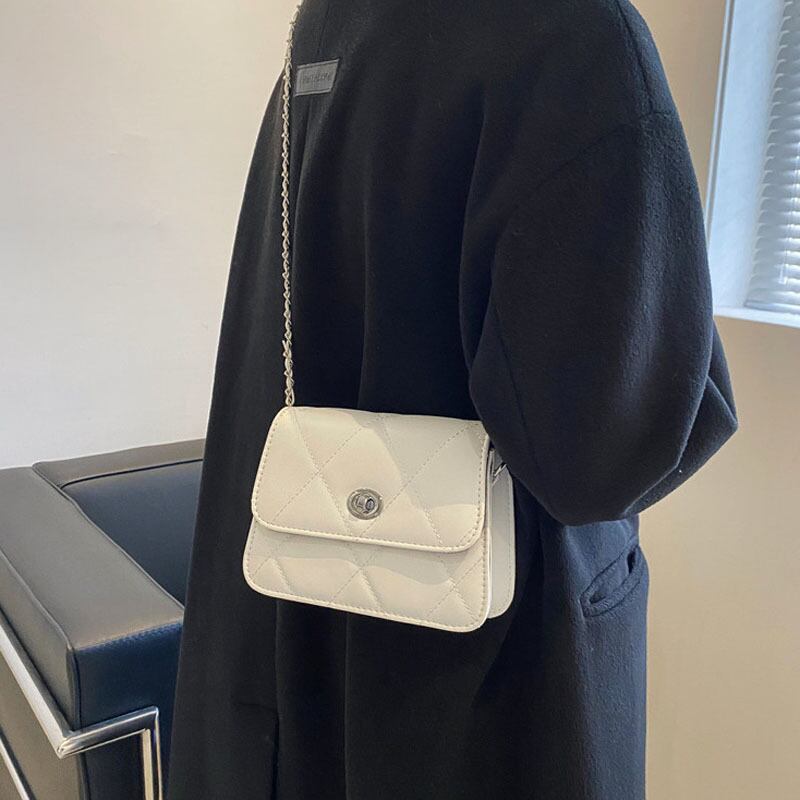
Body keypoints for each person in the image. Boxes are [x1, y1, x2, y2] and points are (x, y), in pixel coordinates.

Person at [168, 1, 737, 798]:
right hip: (479, 692)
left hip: (288, 638)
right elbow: (607, 451)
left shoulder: (329, 20)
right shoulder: (576, 36)